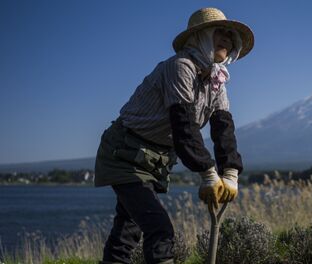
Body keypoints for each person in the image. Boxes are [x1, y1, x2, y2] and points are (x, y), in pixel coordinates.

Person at [93, 7, 254, 264]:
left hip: (153, 159)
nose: (226, 38)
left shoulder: (216, 81)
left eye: (229, 34)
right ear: (199, 37)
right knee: (160, 229)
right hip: (124, 152)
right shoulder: (181, 67)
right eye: (218, 32)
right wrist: (208, 173)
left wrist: (231, 173)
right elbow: (184, 125)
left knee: (129, 228)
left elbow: (223, 129)